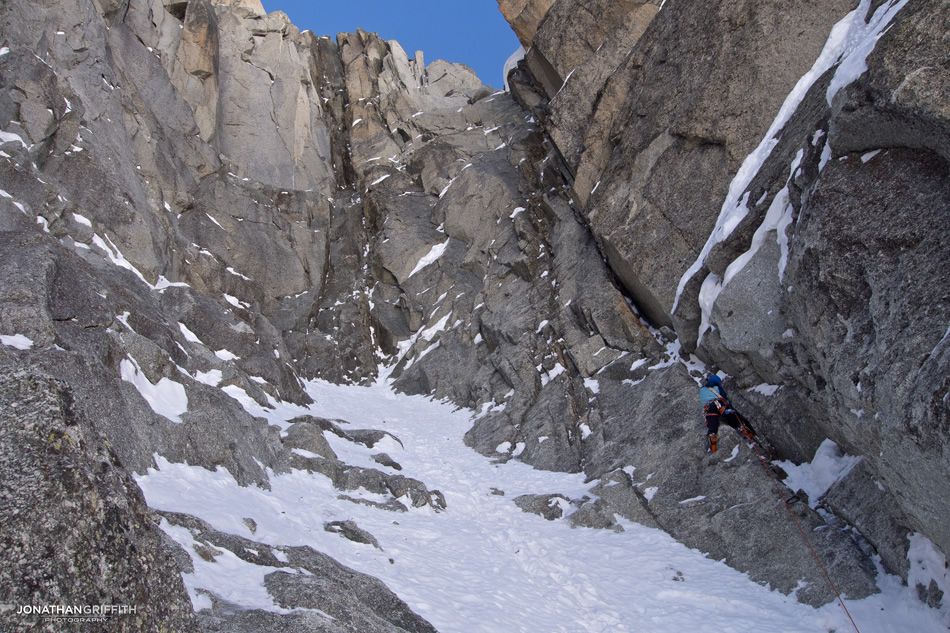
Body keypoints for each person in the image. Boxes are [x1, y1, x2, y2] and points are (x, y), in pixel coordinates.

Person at [699, 375, 755, 453]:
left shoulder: (702, 390)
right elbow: (724, 398)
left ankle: (712, 434)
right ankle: (740, 426)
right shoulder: (717, 387)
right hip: (719, 404)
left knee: (712, 420)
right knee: (730, 413)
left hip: (709, 407)